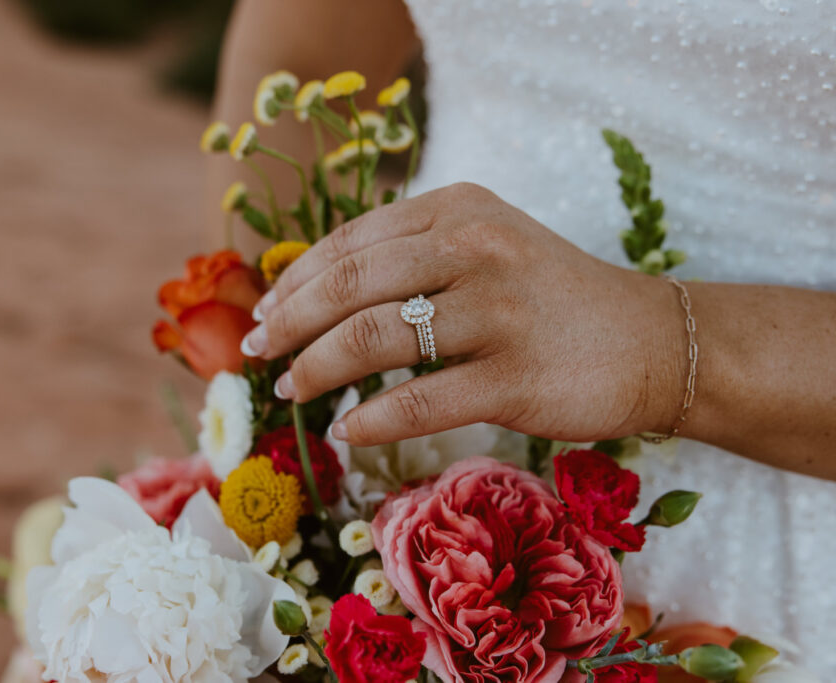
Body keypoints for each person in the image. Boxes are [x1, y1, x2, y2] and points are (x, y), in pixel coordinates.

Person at [209, 0, 836, 674]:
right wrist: (284, 408)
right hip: (398, 491)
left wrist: (659, 344)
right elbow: (298, 65)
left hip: (792, 522)